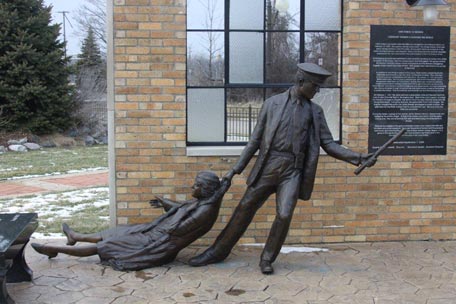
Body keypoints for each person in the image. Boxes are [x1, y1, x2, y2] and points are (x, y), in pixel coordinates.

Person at [189, 63, 376, 274]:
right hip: (268, 166)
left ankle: (267, 258)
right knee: (244, 209)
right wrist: (235, 170)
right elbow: (254, 141)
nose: (317, 91)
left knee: (285, 214)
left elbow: (329, 144)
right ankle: (216, 252)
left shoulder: (315, 112)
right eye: (315, 86)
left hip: (292, 171)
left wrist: (358, 157)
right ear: (301, 82)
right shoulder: (272, 104)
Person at [31, 171, 230, 271]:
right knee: (118, 232)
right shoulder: (203, 202)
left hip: (157, 242)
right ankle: (76, 236)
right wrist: (165, 203)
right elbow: (180, 210)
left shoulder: (205, 211)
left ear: (204, 188)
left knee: (108, 244)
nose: (191, 187)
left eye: (196, 185)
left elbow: (176, 229)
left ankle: (56, 249)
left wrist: (158, 224)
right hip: (155, 232)